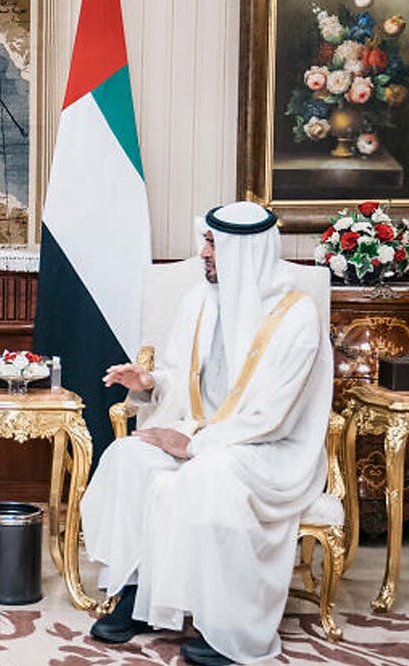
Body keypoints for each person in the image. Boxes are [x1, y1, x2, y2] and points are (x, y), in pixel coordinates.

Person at [81, 201, 332, 665]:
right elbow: (182, 375)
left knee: (207, 477)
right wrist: (152, 383)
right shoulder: (200, 300)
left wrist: (195, 446)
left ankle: (231, 626)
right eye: (206, 242)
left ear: (246, 250)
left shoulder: (295, 317)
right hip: (201, 431)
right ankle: (139, 596)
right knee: (128, 459)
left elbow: (273, 416)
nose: (204, 253)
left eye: (213, 244)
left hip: (268, 451)